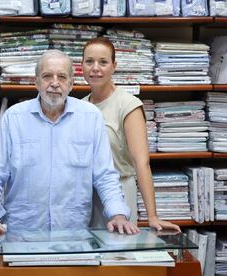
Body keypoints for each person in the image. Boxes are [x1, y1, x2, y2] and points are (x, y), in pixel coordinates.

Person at [0, 49, 140, 235]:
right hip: (21, 232)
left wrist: (118, 214)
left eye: (61, 77)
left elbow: (104, 175)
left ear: (71, 83)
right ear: (36, 81)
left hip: (74, 232)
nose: (54, 83)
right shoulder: (14, 118)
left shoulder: (90, 117)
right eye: (47, 76)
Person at [80, 37, 180, 232]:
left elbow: (141, 163)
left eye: (103, 62)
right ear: (81, 65)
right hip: (85, 196)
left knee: (116, 258)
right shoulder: (80, 106)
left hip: (119, 193)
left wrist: (152, 216)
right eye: (89, 61)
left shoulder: (128, 105)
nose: (95, 68)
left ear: (114, 66)